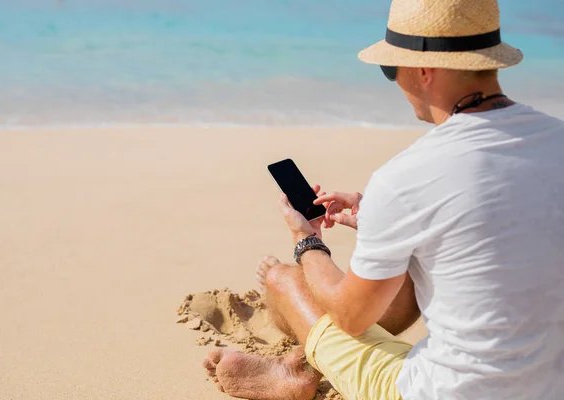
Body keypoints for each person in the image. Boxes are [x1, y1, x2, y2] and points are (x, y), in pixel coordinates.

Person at [202, 0, 564, 398]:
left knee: (285, 281)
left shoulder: (410, 175)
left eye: (390, 69)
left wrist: (305, 241)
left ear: (423, 71)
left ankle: (296, 375)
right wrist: (381, 216)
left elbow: (351, 316)